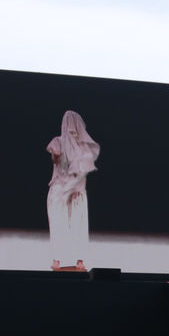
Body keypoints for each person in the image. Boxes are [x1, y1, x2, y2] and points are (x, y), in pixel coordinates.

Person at [45, 109, 100, 272]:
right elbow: (56, 159)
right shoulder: (61, 142)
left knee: (71, 223)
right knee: (67, 223)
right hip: (66, 189)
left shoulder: (78, 146)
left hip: (69, 189)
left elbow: (81, 170)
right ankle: (63, 259)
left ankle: (72, 260)